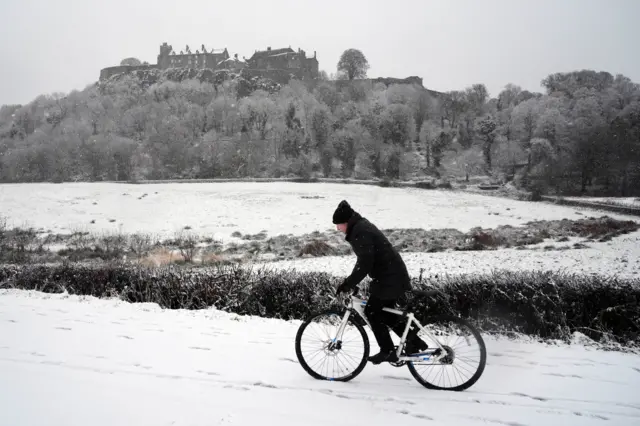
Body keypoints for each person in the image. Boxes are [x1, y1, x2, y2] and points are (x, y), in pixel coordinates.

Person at [332, 200, 428, 364]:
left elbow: (366, 262)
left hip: (390, 277)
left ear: (346, 222)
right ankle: (415, 343)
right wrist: (351, 281)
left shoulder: (360, 231)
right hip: (391, 275)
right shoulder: (360, 227)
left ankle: (387, 351)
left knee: (372, 312)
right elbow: (364, 260)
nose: (337, 228)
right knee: (386, 315)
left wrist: (348, 283)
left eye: (338, 224)